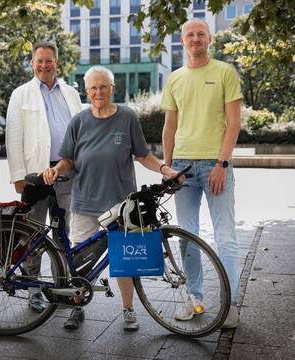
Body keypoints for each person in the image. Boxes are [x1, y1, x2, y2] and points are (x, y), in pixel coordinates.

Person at [42, 66, 178, 332]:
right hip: (84, 201)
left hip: (121, 204)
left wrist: (163, 168)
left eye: (103, 86)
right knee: (80, 259)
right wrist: (57, 170)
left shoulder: (127, 117)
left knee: (123, 258)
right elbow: (68, 159)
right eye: (92, 88)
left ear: (112, 88)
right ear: (86, 91)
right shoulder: (79, 121)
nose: (98, 92)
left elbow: (142, 154)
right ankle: (77, 306)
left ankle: (128, 310)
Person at [161, 19, 242, 328]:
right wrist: (168, 167)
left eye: (200, 34)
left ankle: (230, 303)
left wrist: (222, 164)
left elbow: (233, 123)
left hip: (214, 165)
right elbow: (170, 126)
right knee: (187, 236)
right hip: (182, 168)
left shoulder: (225, 72)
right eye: (190, 35)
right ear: (183, 40)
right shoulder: (175, 78)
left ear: (209, 39)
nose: (195, 39)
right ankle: (195, 299)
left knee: (225, 236)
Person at [6, 42, 82, 313]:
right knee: (33, 232)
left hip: (66, 173)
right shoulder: (21, 94)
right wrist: (18, 176)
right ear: (32, 63)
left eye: (49, 61)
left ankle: (62, 286)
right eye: (39, 61)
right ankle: (33, 288)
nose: (44, 65)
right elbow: (13, 136)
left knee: (64, 232)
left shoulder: (71, 93)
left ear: (57, 63)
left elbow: (80, 132)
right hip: (35, 175)